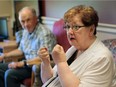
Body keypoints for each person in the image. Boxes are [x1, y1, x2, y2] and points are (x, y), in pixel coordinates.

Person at [38, 5, 116, 87]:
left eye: (76, 27)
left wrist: (61, 63)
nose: (69, 32)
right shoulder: (74, 48)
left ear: (91, 30)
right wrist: (45, 62)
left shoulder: (102, 58)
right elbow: (47, 80)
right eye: (68, 27)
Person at [0, 6, 56, 87]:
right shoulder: (26, 31)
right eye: (22, 21)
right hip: (25, 64)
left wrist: (22, 63)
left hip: (36, 67)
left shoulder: (44, 33)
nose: (25, 24)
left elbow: (45, 57)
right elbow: (20, 50)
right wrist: (4, 56)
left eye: (28, 20)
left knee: (10, 74)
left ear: (35, 18)